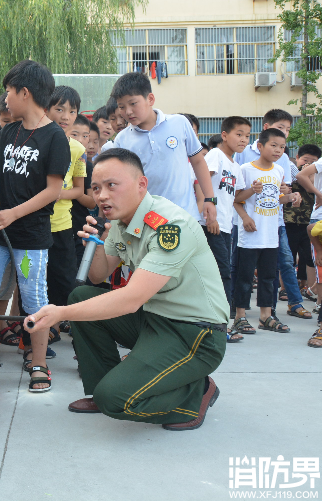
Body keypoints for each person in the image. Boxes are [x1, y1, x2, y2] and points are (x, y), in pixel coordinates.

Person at [27, 148, 228, 430]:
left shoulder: (170, 226)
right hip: (154, 321)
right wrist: (93, 244)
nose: (102, 196)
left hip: (196, 333)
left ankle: (193, 395)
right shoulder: (122, 223)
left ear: (141, 184)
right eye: (96, 188)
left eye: (112, 185)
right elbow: (97, 276)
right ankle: (101, 388)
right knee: (81, 296)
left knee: (117, 401)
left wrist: (59, 313)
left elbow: (131, 299)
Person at [0, 59, 70, 392]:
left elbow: (53, 191)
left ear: (24, 92)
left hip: (30, 238)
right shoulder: (11, 130)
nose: (5, 100)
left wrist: (13, 214)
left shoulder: (55, 137)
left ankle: (39, 362)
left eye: (8, 92)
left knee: (33, 298)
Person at [110, 72, 217, 227]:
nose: (127, 112)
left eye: (133, 103)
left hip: (184, 215)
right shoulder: (122, 139)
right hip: (147, 220)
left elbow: (198, 162)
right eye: (121, 107)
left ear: (150, 99)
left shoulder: (179, 123)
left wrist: (210, 199)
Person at [235, 110, 313, 322]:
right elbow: (236, 199)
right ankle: (240, 316)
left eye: (282, 147)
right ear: (260, 146)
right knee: (244, 276)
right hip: (250, 234)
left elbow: (275, 198)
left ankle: (265, 316)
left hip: (271, 234)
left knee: (269, 277)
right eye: (274, 146)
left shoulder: (279, 170)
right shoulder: (245, 168)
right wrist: (246, 215)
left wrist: (290, 198)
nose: (279, 150)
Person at [200, 116, 251, 342]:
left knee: (221, 273)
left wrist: (253, 190)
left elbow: (237, 196)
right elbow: (202, 182)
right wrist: (208, 215)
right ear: (224, 135)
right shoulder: (215, 156)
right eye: (238, 134)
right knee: (222, 275)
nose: (243, 140)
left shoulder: (235, 165)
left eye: (247, 136)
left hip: (226, 225)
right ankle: (221, 326)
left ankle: (216, 325)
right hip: (211, 223)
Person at [45, 86, 86, 345]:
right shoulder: (38, 143)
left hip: (62, 225)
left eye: (71, 111)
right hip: (35, 225)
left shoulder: (78, 149)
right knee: (39, 283)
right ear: (46, 109)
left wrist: (55, 193)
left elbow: (79, 189)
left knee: (66, 281)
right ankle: (46, 331)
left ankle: (78, 336)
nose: (65, 116)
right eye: (59, 109)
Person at [283, 145, 321, 303]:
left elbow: (312, 185)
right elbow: (300, 177)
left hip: (307, 219)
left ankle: (311, 289)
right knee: (290, 256)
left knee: (309, 259)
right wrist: (320, 194)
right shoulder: (290, 169)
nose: (309, 163)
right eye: (306, 159)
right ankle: (310, 293)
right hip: (293, 220)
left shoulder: (315, 171)